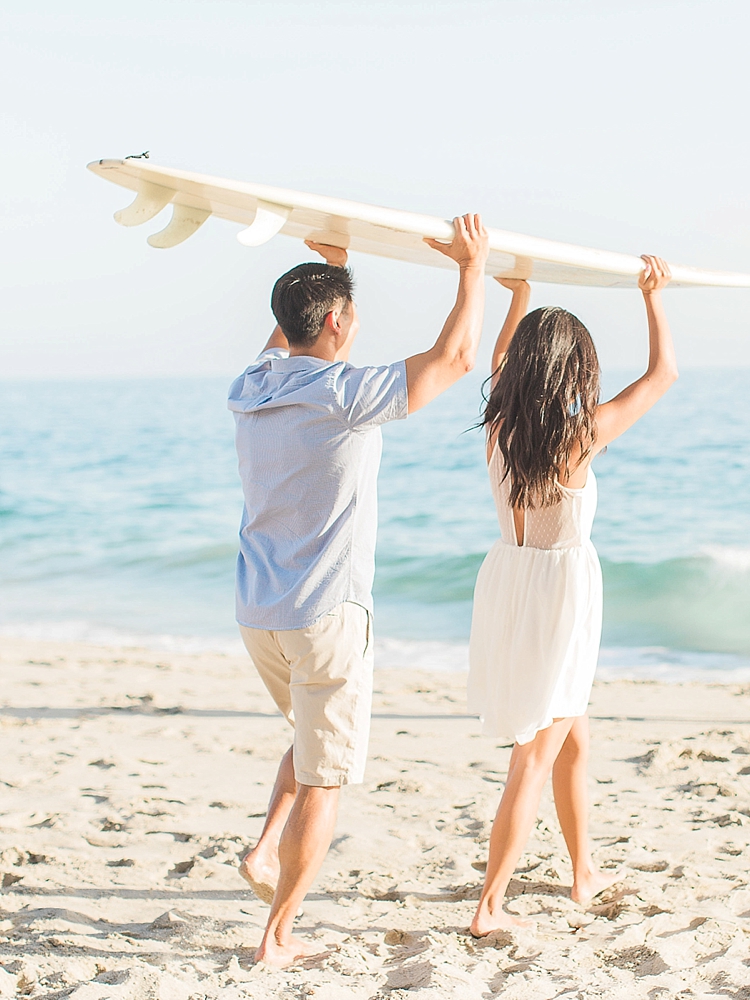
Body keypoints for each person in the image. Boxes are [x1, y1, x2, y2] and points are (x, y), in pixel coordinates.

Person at [228, 215, 489, 966]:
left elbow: (291, 333)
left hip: (259, 613)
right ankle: (277, 938)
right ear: (338, 321)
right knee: (326, 775)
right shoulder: (345, 393)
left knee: (309, 738)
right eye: (349, 312)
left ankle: (263, 850)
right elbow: (457, 356)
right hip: (324, 614)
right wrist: (472, 268)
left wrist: (332, 272)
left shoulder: (252, 384)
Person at [467, 256, 677, 935]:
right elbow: (662, 376)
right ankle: (489, 905)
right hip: (560, 597)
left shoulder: (501, 424)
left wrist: (519, 295)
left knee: (573, 740)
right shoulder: (577, 436)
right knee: (535, 752)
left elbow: (498, 359)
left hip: (512, 583)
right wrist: (654, 298)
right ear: (572, 372)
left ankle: (583, 872)